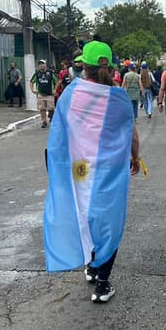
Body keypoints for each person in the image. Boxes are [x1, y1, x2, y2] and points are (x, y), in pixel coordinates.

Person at [43, 40, 140, 303]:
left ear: (83, 66)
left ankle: (90, 265)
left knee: (84, 212)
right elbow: (131, 134)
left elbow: (59, 135)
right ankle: (102, 282)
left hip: (80, 168)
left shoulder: (71, 95)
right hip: (110, 169)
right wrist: (135, 158)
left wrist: (56, 167)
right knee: (108, 220)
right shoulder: (118, 98)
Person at [30, 59, 56, 128]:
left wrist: (55, 89)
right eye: (40, 64)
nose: (41, 65)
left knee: (51, 108)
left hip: (50, 94)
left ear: (45, 64)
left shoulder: (50, 73)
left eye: (42, 63)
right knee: (42, 109)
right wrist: (32, 90)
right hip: (40, 94)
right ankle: (44, 121)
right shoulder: (37, 73)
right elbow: (31, 82)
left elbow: (57, 81)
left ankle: (51, 115)